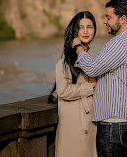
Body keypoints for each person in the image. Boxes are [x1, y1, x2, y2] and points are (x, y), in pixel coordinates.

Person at [72, 0, 127, 157]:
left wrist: (77, 47)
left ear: (122, 19)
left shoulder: (120, 43)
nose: (104, 21)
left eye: (108, 17)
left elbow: (92, 68)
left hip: (115, 125)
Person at [51, 11, 97, 157]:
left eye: (89, 27)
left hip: (90, 121)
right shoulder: (67, 58)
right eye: (80, 27)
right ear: (74, 30)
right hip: (74, 124)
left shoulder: (91, 55)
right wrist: (91, 87)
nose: (85, 31)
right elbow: (63, 91)